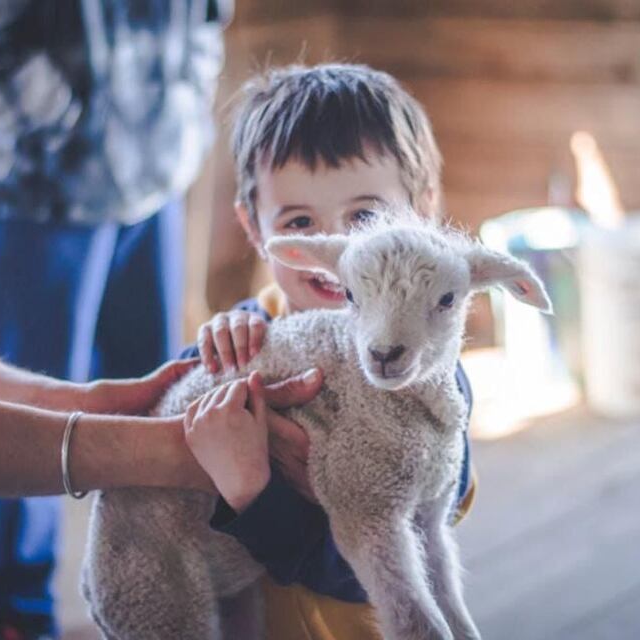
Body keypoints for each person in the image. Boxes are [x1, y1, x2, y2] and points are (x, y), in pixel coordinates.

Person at [0, 2, 317, 638]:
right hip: (49, 179)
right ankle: (20, 611)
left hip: (146, 163)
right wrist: (172, 452)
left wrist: (96, 403)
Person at [0, 2, 232, 636]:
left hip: (153, 182)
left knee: (155, 399)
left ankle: (146, 596)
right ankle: (20, 614)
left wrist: (180, 120)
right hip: (39, 188)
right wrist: (68, 126)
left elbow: (209, 16)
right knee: (30, 409)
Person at [184, 63, 477, 640]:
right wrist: (211, 349)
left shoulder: (423, 379)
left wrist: (253, 493)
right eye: (300, 221)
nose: (336, 251)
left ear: (421, 211)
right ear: (255, 227)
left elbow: (363, 571)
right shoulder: (244, 337)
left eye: (364, 217)